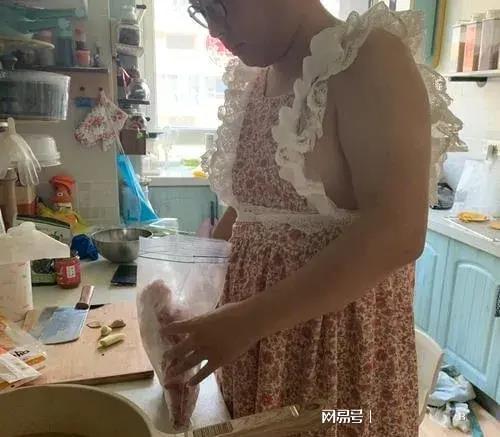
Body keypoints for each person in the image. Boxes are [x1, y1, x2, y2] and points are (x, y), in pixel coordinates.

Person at [163, 1, 464, 435]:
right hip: (254, 352)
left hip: (335, 362)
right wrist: (194, 288)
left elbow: (398, 232)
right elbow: (251, 209)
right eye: (201, 10)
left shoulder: (368, 59)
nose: (214, 28)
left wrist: (246, 321)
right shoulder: (255, 80)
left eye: (220, 6)